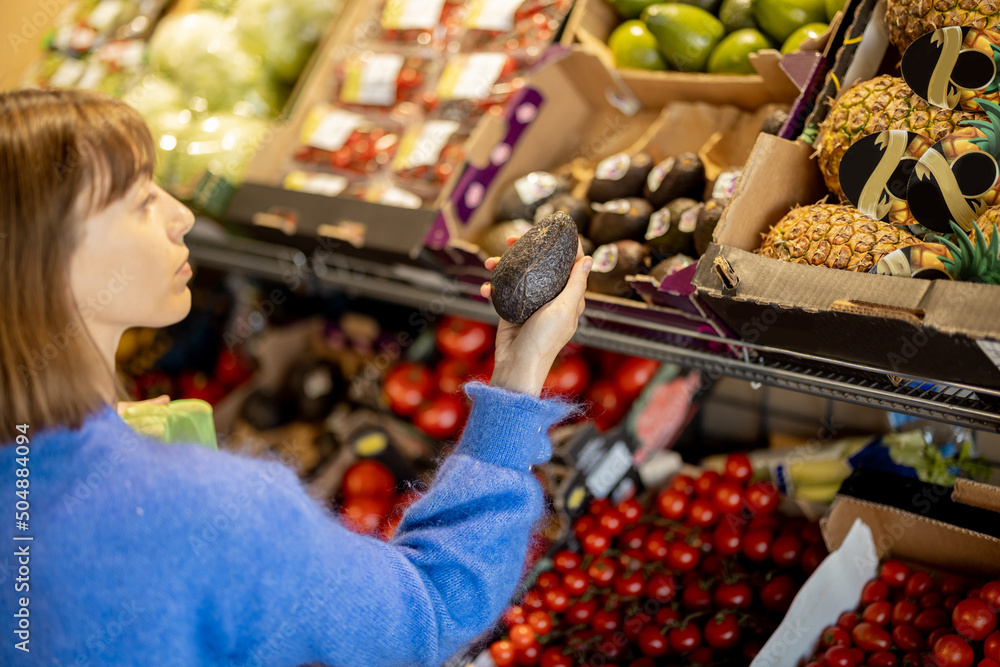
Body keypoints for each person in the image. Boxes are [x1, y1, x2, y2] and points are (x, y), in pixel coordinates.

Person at [0, 88, 593, 666]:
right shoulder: (209, 509)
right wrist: (519, 378)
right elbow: (428, 615)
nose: (180, 214)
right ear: (46, 263)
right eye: (138, 201)